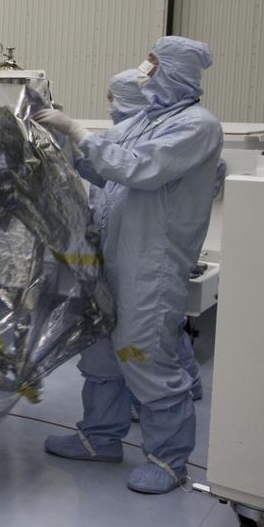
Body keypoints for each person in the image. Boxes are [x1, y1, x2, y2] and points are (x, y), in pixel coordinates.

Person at [36, 36, 222, 494]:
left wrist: (78, 130)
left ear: (177, 70)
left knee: (146, 359)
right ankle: (100, 438)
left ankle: (167, 459)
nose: (145, 71)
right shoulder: (142, 120)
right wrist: (57, 139)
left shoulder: (198, 126)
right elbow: (101, 168)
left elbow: (141, 169)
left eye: (153, 64)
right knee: (100, 356)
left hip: (149, 266)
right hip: (110, 259)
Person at [105, 70, 204, 402]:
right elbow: (108, 181)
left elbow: (134, 170)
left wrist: (76, 135)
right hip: (127, 253)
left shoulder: (193, 126)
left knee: (147, 348)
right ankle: (107, 433)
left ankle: (167, 452)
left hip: (151, 257)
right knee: (144, 339)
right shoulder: (139, 127)